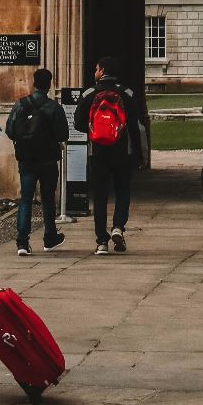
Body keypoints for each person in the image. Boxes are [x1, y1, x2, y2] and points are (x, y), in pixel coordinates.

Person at [73, 55, 142, 256]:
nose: (95, 72)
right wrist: (138, 153)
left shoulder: (89, 93)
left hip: (98, 151)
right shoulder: (127, 93)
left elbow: (78, 124)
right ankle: (118, 227)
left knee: (101, 195)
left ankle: (101, 241)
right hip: (122, 151)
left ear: (102, 71)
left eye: (96, 68)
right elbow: (135, 125)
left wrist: (96, 132)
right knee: (123, 190)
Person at [7, 66, 68, 257]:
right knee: (48, 200)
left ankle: (22, 242)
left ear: (34, 83)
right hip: (48, 160)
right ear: (49, 85)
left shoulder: (21, 104)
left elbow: (10, 130)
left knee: (25, 199)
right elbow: (63, 134)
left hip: (26, 159)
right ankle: (49, 238)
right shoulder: (54, 107)